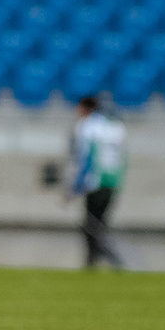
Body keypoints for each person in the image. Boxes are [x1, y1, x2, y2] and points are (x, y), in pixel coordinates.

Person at [67, 93, 128, 270]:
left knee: (90, 224)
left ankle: (97, 260)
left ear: (85, 109)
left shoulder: (87, 127)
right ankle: (101, 259)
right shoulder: (116, 127)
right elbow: (122, 158)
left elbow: (86, 159)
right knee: (99, 224)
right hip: (113, 181)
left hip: (95, 182)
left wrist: (75, 186)